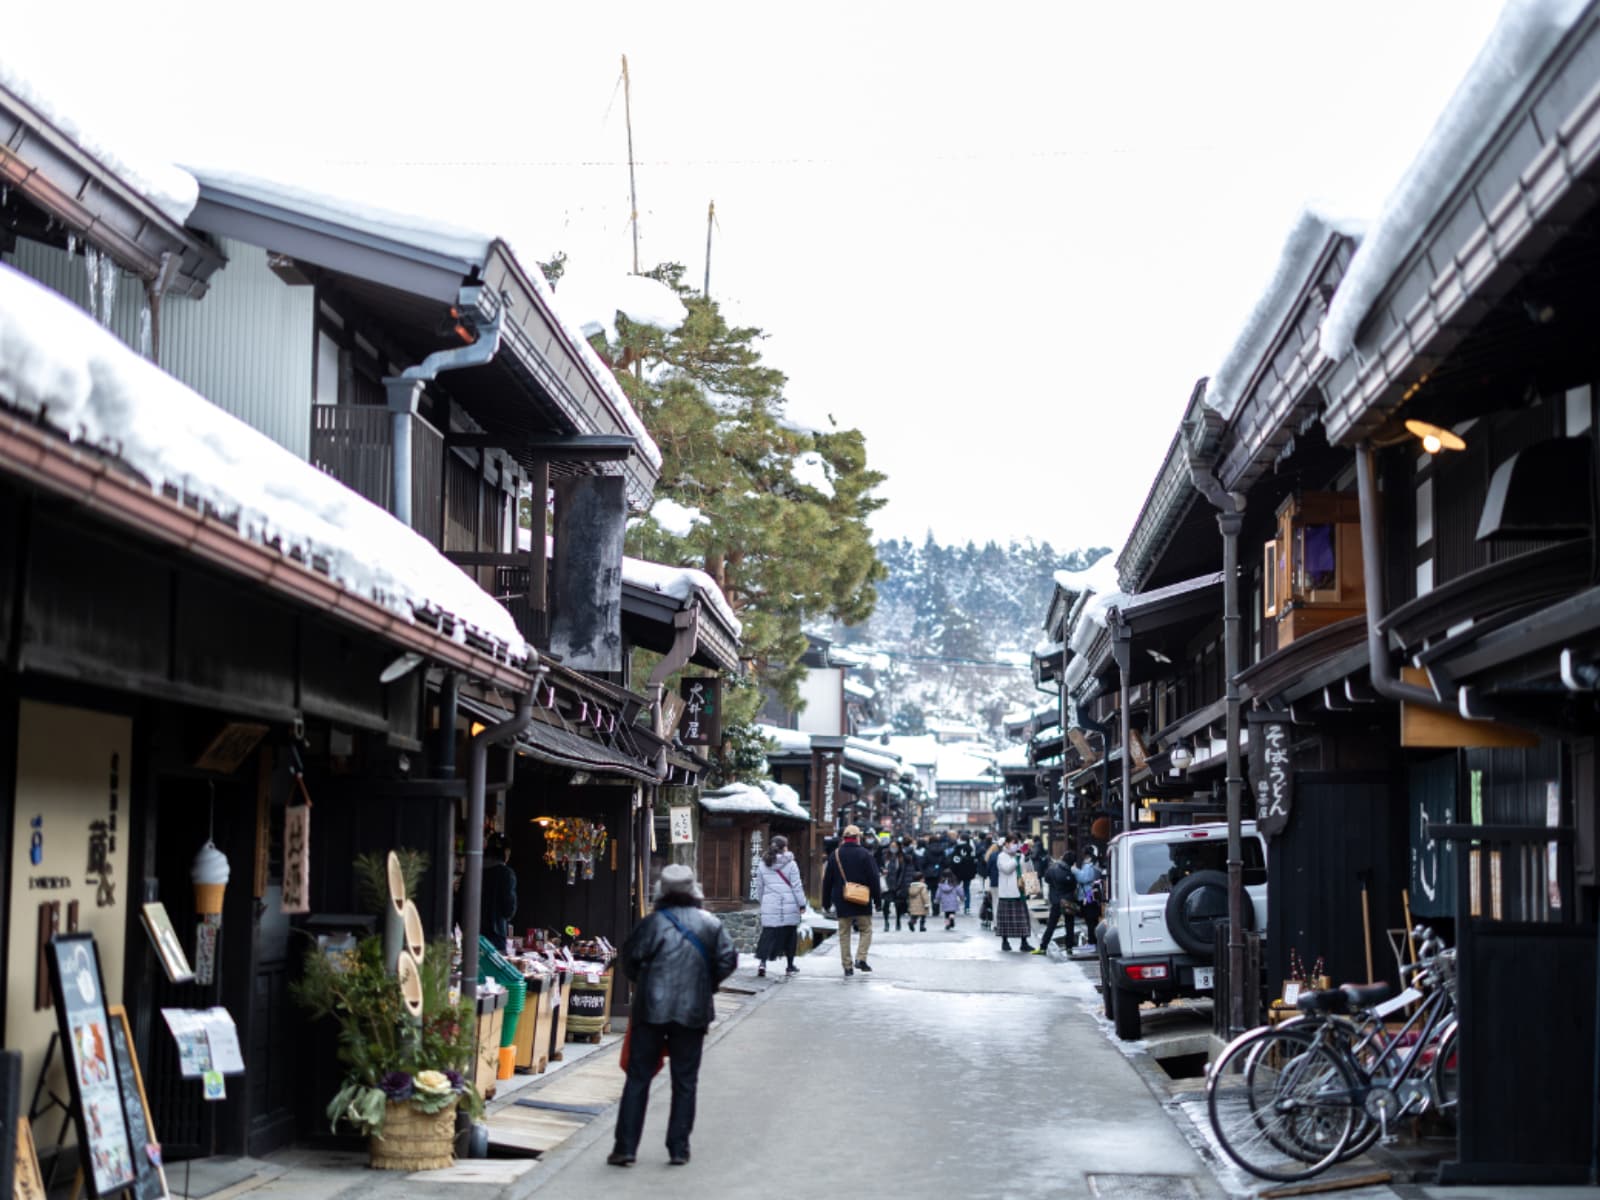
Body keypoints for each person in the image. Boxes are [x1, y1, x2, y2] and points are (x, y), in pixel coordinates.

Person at [609, 864, 737, 1168]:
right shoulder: (710, 924)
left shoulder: (651, 923)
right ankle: (679, 1149)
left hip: (650, 1010)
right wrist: (707, 984)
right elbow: (727, 959)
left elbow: (629, 960)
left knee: (638, 1078)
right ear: (694, 891)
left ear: (661, 892)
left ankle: (625, 1147)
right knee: (685, 1080)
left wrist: (646, 982)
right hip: (692, 1011)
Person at [821, 824, 882, 976]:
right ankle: (861, 957)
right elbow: (874, 879)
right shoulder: (865, 854)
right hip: (862, 899)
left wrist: (826, 903)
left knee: (844, 933)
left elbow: (827, 881)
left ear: (843, 838)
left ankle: (847, 966)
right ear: (857, 838)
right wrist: (878, 900)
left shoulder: (834, 855)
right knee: (866, 929)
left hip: (842, 900)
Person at [754, 835, 807, 977]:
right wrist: (802, 903)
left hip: (769, 904)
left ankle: (762, 964)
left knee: (768, 934)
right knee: (790, 935)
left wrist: (763, 901)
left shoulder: (762, 864)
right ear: (784, 848)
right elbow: (797, 886)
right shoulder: (791, 864)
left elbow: (759, 887)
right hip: (789, 905)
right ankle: (790, 966)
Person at [990, 835, 1035, 952]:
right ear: (1006, 844)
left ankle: (1024, 942)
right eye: (1013, 843)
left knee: (1023, 919)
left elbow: (1029, 869)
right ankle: (1005, 942)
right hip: (1007, 892)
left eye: (1017, 843)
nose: (1015, 845)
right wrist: (1017, 859)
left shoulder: (1019, 855)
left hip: (1020, 890)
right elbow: (1006, 869)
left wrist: (1027, 857)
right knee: (1006, 920)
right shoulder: (1001, 856)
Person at [1035, 853, 1079, 954]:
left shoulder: (1052, 869)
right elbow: (1073, 886)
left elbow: (1046, 879)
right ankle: (1069, 948)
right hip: (1068, 901)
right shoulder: (1071, 873)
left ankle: (1043, 947)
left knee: (1051, 925)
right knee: (1069, 924)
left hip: (1055, 900)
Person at [480, 832, 517, 950]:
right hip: (495, 934)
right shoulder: (506, 874)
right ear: (506, 852)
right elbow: (508, 910)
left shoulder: (473, 871)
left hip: (471, 933)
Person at [1074, 850, 1104, 944]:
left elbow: (1083, 878)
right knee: (1092, 918)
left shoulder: (1089, 866)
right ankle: (1093, 939)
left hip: (1088, 894)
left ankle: (1092, 940)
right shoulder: (1095, 866)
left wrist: (1075, 870)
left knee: (1090, 917)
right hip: (1092, 893)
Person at [883, 840, 914, 932]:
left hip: (898, 884)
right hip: (886, 884)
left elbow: (907, 872)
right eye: (891, 846)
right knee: (886, 904)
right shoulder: (885, 856)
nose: (893, 848)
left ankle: (898, 921)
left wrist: (905, 885)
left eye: (895, 846)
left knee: (898, 905)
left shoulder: (904, 858)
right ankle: (886, 922)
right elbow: (878, 865)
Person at [947, 834, 978, 914]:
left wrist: (952, 871)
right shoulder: (971, 848)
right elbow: (974, 861)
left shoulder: (957, 848)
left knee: (954, 889)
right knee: (966, 889)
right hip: (968, 873)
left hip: (957, 872)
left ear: (960, 839)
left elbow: (954, 861)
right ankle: (967, 907)